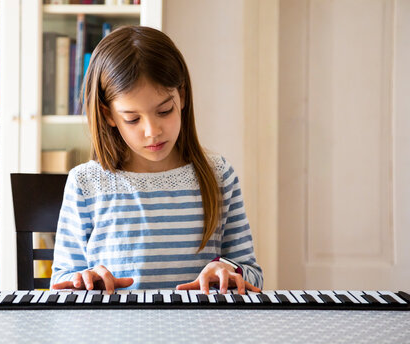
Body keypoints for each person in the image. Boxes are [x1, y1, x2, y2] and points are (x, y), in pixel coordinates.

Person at [50, 25, 263, 295]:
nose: (152, 131)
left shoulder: (219, 175)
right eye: (133, 119)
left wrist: (230, 272)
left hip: (201, 333)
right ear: (108, 116)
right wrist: (84, 280)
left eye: (164, 110)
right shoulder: (85, 183)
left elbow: (252, 274)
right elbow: (61, 284)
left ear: (182, 96)